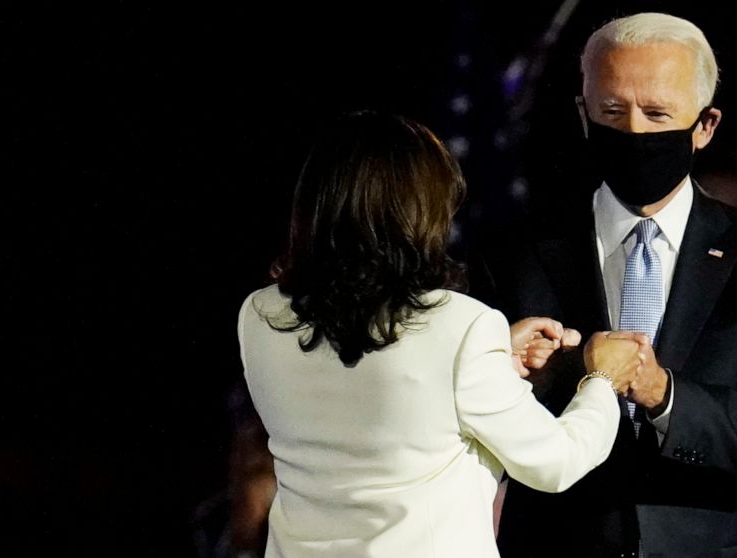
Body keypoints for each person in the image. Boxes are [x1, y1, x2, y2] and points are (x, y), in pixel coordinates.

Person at [484, 13, 737, 558]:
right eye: (614, 112)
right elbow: (478, 423)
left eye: (658, 113)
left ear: (706, 125)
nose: (636, 133)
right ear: (583, 113)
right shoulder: (512, 251)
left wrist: (663, 393)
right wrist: (527, 374)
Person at [236, 110, 645, 558]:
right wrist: (602, 381)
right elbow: (557, 462)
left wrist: (492, 358)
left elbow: (367, 391)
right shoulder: (462, 326)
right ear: (420, 214)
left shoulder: (258, 315)